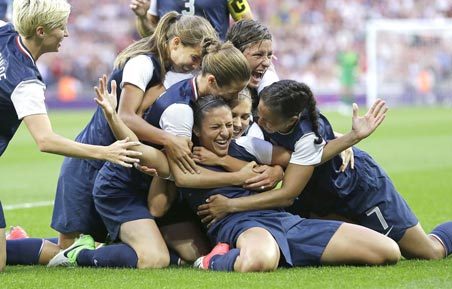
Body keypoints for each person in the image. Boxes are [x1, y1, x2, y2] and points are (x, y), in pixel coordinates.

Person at [48, 39, 253, 269]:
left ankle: (117, 242)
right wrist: (238, 177)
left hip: (153, 179)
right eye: (233, 92)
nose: (235, 98)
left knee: (196, 252)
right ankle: (82, 253)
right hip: (123, 185)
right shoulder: (180, 113)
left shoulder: (194, 94)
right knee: (155, 258)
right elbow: (183, 176)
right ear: (213, 81)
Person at [197, 80, 452, 260]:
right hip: (317, 195)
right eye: (258, 113)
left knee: (428, 253)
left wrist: (230, 205)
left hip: (358, 191)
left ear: (292, 120)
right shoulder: (278, 110)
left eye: (266, 119)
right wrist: (347, 138)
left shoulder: (307, 136)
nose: (257, 122)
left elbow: (287, 193)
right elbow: (284, 159)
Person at [50, 11, 218, 251]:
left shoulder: (169, 71)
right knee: (67, 251)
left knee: (90, 247)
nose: (196, 65)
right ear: (176, 42)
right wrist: (169, 140)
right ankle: (15, 247)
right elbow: (126, 116)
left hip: (117, 164)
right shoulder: (143, 63)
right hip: (90, 162)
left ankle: (15, 244)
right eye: (195, 57)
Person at [179, 95, 400, 272]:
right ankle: (213, 260)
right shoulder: (183, 157)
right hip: (240, 226)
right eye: (215, 127)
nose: (226, 132)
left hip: (282, 220)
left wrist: (351, 137)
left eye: (229, 124)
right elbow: (163, 182)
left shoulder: (246, 145)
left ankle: (281, 254)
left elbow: (296, 159)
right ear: (197, 130)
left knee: (387, 250)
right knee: (259, 261)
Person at [0, 0, 141, 272]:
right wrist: (106, 152)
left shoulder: (5, 30)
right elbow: (46, 140)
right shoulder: (26, 83)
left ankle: (17, 242)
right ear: (41, 31)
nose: (66, 33)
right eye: (61, 27)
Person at [131, 0, 253, 40]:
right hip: (171, 67)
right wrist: (142, 17)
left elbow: (248, 25)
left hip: (213, 64)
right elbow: (149, 34)